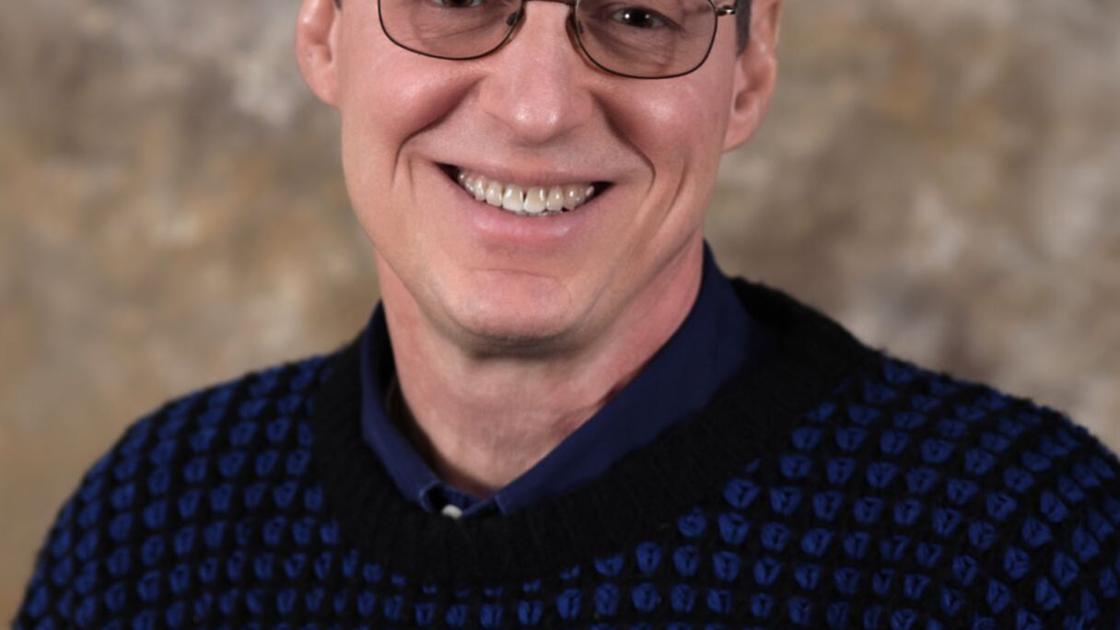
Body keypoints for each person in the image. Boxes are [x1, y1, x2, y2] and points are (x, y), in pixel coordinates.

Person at [13, 0, 1120, 625]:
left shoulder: (1019, 553)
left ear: (746, 72)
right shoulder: (150, 529)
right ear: (323, 26)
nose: (536, 108)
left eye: (637, 14)